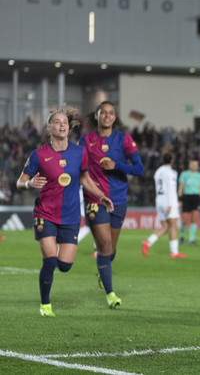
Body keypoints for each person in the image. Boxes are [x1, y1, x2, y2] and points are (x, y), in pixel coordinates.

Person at [17, 104, 114, 316]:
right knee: (50, 260)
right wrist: (29, 184)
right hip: (45, 214)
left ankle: (49, 287)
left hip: (70, 217)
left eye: (64, 122)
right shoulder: (38, 155)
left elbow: (85, 179)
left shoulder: (80, 152)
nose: (62, 125)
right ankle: (45, 305)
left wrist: (101, 196)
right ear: (49, 128)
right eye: (57, 122)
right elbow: (20, 182)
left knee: (64, 265)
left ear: (68, 128)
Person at [79, 101, 144, 307]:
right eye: (103, 113)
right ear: (97, 116)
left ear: (114, 118)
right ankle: (110, 295)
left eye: (111, 113)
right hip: (94, 200)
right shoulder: (85, 140)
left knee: (111, 250)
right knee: (105, 246)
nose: (107, 116)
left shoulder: (124, 139)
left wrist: (117, 165)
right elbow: (78, 169)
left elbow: (140, 169)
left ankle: (102, 270)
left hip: (118, 201)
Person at [142, 153, 186, 258]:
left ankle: (148, 242)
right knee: (173, 226)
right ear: (172, 160)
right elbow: (170, 189)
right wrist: (170, 203)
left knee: (165, 227)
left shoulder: (158, 172)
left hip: (160, 202)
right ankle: (174, 252)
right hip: (168, 202)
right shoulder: (172, 173)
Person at [178, 159, 200, 246]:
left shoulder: (199, 175)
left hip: (196, 198)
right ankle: (182, 237)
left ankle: (191, 240)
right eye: (193, 164)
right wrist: (179, 199)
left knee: (194, 219)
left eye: (196, 165)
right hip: (186, 197)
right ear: (189, 165)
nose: (194, 166)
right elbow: (181, 187)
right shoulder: (184, 174)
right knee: (184, 219)